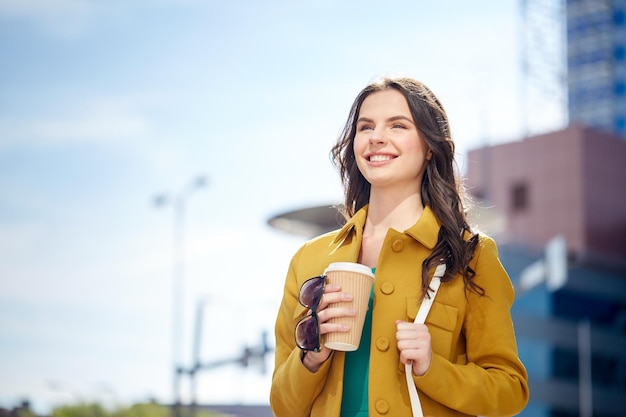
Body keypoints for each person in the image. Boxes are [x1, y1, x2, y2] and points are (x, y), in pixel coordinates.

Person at [270, 76, 529, 417]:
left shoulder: (471, 254)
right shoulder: (310, 259)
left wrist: (432, 368)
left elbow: (509, 389)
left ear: (430, 147)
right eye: (365, 127)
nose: (377, 137)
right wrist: (311, 356)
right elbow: (283, 406)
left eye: (397, 125)